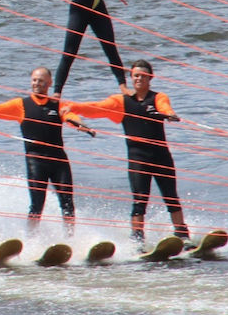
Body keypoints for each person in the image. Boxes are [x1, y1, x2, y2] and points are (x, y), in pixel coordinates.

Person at [66, 59, 190, 247]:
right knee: (140, 200)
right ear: (131, 78)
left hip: (162, 156)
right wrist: (73, 107)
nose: (139, 78)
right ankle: (137, 241)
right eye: (135, 76)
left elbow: (165, 108)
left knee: (171, 196)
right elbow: (96, 108)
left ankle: (183, 236)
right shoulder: (121, 102)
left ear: (151, 77)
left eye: (143, 75)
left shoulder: (158, 97)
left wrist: (170, 114)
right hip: (138, 159)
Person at [0, 67, 95, 233]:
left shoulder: (58, 105)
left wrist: (82, 126)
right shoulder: (21, 105)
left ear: (49, 83)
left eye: (41, 81)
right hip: (35, 162)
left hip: (59, 161)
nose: (37, 83)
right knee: (37, 204)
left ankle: (70, 238)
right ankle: (32, 239)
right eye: (34, 80)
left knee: (67, 203)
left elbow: (70, 117)